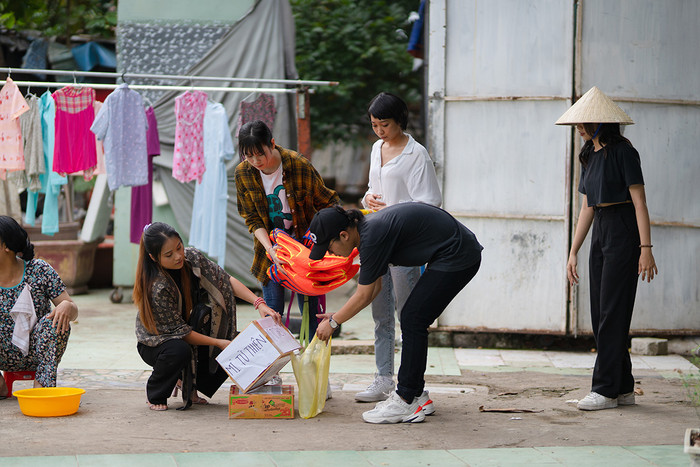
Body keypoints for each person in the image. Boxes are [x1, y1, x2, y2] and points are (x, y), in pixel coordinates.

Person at [310, 204, 483, 423]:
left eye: (329, 246)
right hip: (456, 250)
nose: (330, 253)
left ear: (343, 235)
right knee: (414, 318)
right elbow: (374, 289)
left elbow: (363, 295)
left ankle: (406, 399)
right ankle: (418, 396)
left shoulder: (371, 236)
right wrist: (338, 315)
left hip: (457, 254)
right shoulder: (367, 232)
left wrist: (334, 323)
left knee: (413, 318)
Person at [556, 86, 658, 411]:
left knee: (613, 312)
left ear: (601, 122)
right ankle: (623, 387)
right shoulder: (588, 155)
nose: (580, 129)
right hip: (601, 229)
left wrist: (646, 248)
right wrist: (573, 251)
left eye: (584, 123)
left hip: (623, 230)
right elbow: (587, 206)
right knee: (601, 312)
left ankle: (603, 390)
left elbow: (639, 202)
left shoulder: (624, 152)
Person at [133, 222, 280, 411]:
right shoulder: (157, 287)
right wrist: (218, 343)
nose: (178, 256)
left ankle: (192, 384)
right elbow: (181, 333)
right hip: (158, 343)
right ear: (154, 258)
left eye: (179, 247)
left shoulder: (192, 258)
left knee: (237, 340)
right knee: (179, 350)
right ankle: (156, 394)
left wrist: (259, 303)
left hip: (188, 329)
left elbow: (225, 281)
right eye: (169, 255)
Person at [356, 92, 442, 402]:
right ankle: (383, 378)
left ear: (399, 121)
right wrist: (369, 199)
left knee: (409, 316)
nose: (379, 131)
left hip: (405, 243)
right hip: (378, 239)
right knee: (381, 313)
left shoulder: (416, 154)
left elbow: (430, 202)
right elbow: (371, 189)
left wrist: (393, 208)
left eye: (385, 125)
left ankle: (411, 383)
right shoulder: (377, 148)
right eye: (375, 125)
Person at [234, 120, 340, 341]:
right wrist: (271, 249)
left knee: (312, 314)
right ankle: (273, 374)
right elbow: (252, 218)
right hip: (271, 253)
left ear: (272, 143)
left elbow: (329, 202)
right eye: (248, 156)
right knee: (272, 315)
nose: (255, 161)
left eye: (259, 154)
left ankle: (314, 372)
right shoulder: (243, 173)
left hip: (307, 252)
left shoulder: (298, 164)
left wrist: (319, 243)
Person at [0, 215, 78, 398]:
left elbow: (73, 311)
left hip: (38, 352)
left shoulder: (39, 270)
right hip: (2, 353)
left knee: (55, 323)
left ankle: (42, 384)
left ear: (6, 247)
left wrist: (67, 306)